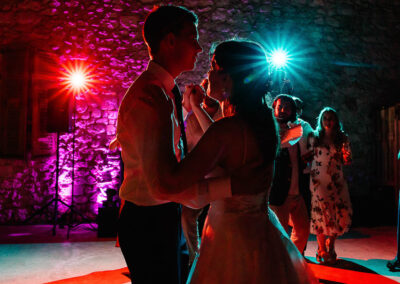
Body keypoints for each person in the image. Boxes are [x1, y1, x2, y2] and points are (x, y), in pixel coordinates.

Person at [155, 40, 316, 283]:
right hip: (262, 235)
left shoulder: (228, 130)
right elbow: (224, 144)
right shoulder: (264, 122)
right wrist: (197, 108)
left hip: (229, 239)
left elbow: (173, 183)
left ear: (228, 78)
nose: (208, 73)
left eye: (213, 66)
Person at [115, 6, 253, 283]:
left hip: (164, 214)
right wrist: (229, 186)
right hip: (148, 221)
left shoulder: (168, 90)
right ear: (170, 41)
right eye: (193, 37)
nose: (199, 47)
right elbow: (162, 183)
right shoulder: (150, 97)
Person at [180, 78, 222, 267]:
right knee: (187, 216)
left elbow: (214, 137)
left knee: (217, 220)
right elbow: (184, 145)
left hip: (220, 176)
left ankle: (215, 257)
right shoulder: (190, 117)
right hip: (198, 177)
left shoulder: (226, 114)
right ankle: (193, 256)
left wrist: (196, 107)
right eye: (205, 89)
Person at [308, 107, 353, 264]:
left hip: (336, 180)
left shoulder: (341, 138)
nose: (328, 121)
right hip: (319, 179)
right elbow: (307, 157)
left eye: (331, 118)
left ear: (336, 120)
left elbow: (348, 159)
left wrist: (343, 155)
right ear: (321, 120)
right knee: (321, 213)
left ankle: (331, 245)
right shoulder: (314, 137)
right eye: (325, 118)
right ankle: (321, 248)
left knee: (337, 213)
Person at [269, 94, 311, 254]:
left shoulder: (297, 129)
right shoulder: (270, 130)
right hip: (279, 192)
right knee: (278, 234)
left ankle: (293, 261)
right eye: (280, 107)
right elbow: (280, 144)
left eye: (287, 108)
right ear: (274, 108)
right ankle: (281, 267)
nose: (283, 110)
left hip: (297, 191)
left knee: (302, 231)